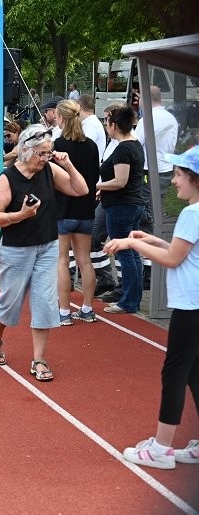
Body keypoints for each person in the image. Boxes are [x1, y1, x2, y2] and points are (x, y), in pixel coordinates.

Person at [104, 145, 199, 469]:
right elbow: (182, 251)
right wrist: (152, 240)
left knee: (174, 373)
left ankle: (161, 449)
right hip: (195, 305)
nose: (174, 181)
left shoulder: (191, 213)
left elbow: (174, 260)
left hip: (190, 308)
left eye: (179, 175)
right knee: (194, 373)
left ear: (195, 180)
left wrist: (132, 243)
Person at [0, 124, 88, 381]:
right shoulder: (7, 178)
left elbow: (81, 190)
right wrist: (20, 215)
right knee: (10, 301)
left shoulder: (50, 171)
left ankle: (39, 359)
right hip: (16, 248)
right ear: (25, 150)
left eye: (49, 152)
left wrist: (68, 165)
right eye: (41, 153)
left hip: (47, 246)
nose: (45, 157)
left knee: (44, 303)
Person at [52, 99, 100, 325]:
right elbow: (94, 175)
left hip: (62, 211)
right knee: (85, 261)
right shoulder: (92, 146)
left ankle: (63, 312)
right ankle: (88, 309)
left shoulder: (56, 146)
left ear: (60, 118)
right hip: (86, 210)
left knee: (62, 261)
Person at [96, 105, 146, 314]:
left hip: (122, 206)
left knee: (126, 254)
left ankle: (129, 301)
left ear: (114, 125)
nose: (106, 127)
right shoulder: (132, 145)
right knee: (132, 254)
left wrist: (96, 186)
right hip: (129, 204)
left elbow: (120, 181)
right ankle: (132, 298)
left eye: (107, 123)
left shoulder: (124, 148)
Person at [134, 86, 179, 289]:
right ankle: (152, 267)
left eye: (140, 97)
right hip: (165, 169)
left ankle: (149, 269)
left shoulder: (148, 119)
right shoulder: (170, 118)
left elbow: (136, 143)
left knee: (145, 216)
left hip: (147, 171)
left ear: (145, 98)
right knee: (154, 214)